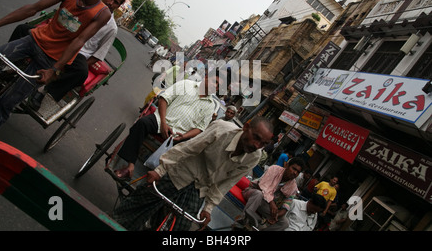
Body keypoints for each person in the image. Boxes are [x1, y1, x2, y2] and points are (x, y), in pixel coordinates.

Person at [0, 0, 114, 135]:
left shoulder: (102, 13)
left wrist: (54, 70)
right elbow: (33, 9)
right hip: (35, 40)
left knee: (8, 102)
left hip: (51, 59)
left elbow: (79, 40)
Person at [113, 117, 274, 231]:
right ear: (246, 127)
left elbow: (226, 183)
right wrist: (160, 170)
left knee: (180, 227)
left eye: (263, 144)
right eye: (256, 138)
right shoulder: (221, 129)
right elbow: (188, 148)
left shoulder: (255, 156)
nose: (256, 145)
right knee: (140, 203)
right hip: (180, 173)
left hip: (200, 189)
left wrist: (209, 208)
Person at [8, 0, 127, 109]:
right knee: (22, 29)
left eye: (115, 2)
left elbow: (98, 55)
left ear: (118, 7)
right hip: (61, 39)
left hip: (78, 53)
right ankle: (10, 65)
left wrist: (69, 66)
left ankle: (43, 92)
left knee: (81, 72)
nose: (110, 3)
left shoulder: (111, 28)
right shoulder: (85, 5)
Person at [113, 72, 222, 179]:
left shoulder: (210, 105)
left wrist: (184, 137)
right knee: (142, 123)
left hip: (179, 136)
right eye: (215, 82)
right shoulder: (186, 84)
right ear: (207, 77)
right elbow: (164, 99)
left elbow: (200, 128)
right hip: (161, 121)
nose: (215, 86)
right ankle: (130, 165)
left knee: (184, 157)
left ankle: (153, 181)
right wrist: (164, 123)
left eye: (218, 86)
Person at [240, 157, 305, 230]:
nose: (295, 173)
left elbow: (287, 205)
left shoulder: (293, 187)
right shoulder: (274, 169)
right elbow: (262, 186)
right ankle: (243, 221)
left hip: (265, 205)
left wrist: (276, 215)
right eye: (294, 169)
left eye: (298, 172)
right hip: (254, 193)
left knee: (284, 223)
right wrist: (272, 203)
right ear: (287, 165)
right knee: (259, 194)